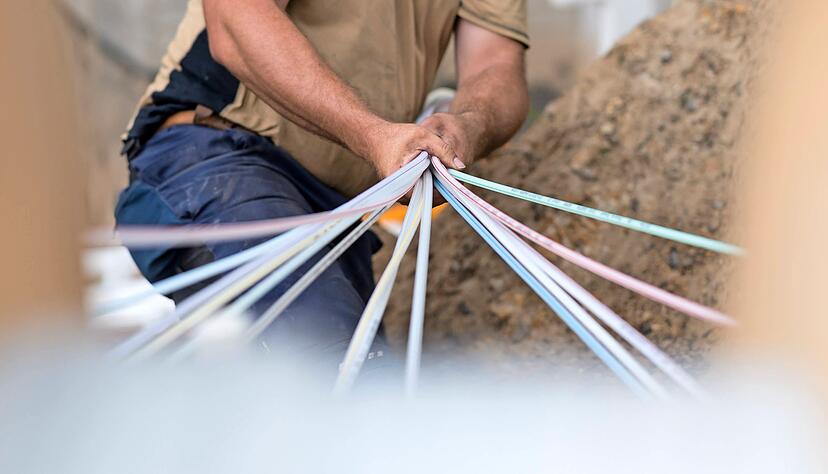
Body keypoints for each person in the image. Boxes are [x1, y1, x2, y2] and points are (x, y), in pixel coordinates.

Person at [115, 0, 529, 362]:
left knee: (356, 383)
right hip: (217, 157)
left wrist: (466, 127)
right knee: (335, 370)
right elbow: (236, 19)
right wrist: (375, 136)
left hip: (337, 212)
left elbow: (495, 62)